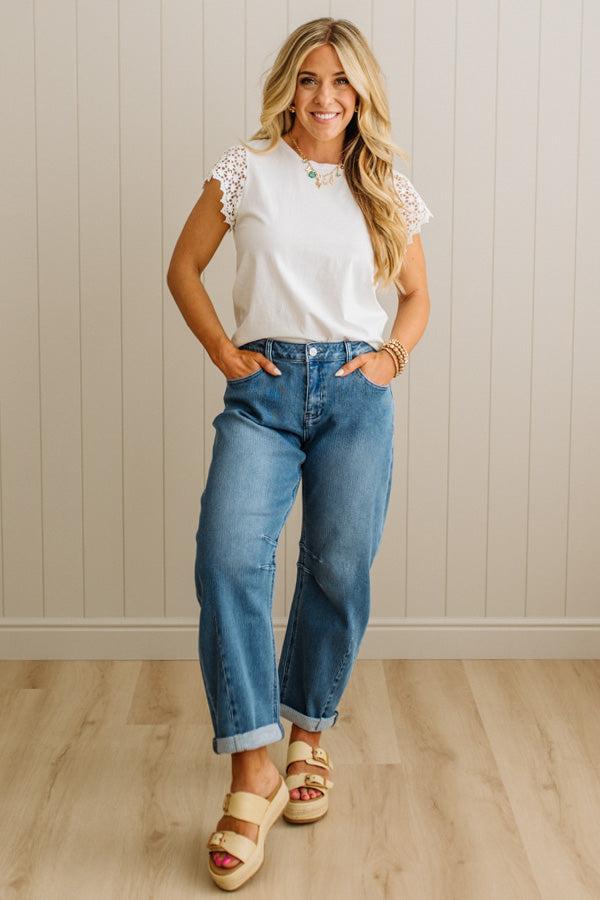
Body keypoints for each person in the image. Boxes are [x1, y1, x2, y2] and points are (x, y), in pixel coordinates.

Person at [166, 16, 433, 892]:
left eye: (343, 83)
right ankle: (254, 767)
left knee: (338, 566)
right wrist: (221, 350)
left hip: (356, 396)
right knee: (227, 557)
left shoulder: (385, 181)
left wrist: (390, 357)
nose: (326, 98)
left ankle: (309, 728)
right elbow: (184, 267)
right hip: (266, 391)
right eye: (312, 80)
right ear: (290, 84)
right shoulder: (247, 168)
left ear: (363, 94)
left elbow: (419, 295)